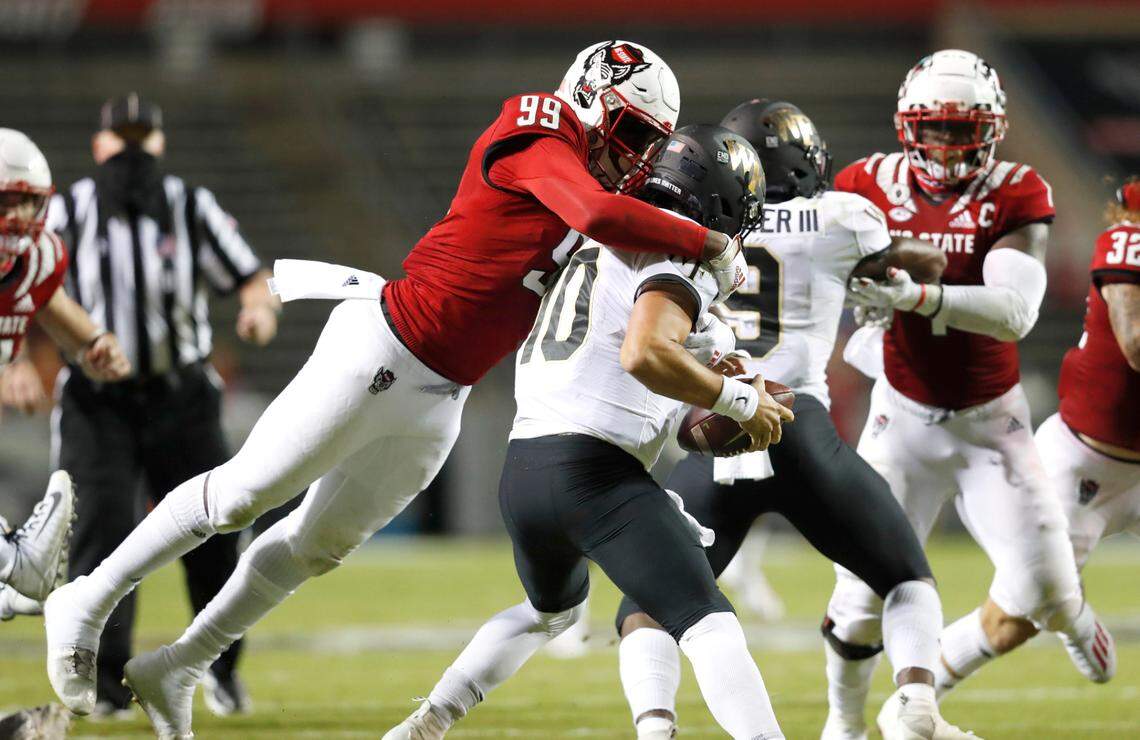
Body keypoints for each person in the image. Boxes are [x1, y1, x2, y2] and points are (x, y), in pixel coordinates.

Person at [43, 41, 751, 738]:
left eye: (647, 144)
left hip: (444, 394)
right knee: (238, 497)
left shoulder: (611, 181)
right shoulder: (536, 125)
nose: (633, 155)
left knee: (313, 548)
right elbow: (592, 214)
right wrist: (712, 245)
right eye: (630, 132)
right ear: (591, 97)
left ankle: (179, 666)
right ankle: (86, 598)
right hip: (385, 344)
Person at [386, 124, 791, 740]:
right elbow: (644, 353)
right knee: (708, 622)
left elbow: (643, 381)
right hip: (592, 473)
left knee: (553, 613)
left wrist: (710, 393)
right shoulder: (677, 253)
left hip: (525, 471)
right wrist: (738, 401)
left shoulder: (592, 244)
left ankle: (428, 720)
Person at [611, 100, 973, 740]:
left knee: (648, 602)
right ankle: (916, 701)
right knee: (904, 575)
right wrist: (884, 280)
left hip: (716, 419)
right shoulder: (842, 217)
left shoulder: (693, 224)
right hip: (798, 421)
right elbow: (925, 267)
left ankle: (655, 726)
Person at [827, 49, 1114, 730]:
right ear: (908, 126)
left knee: (1045, 591)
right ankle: (841, 726)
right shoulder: (863, 183)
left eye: (965, 130)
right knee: (860, 593)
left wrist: (918, 295)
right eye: (939, 129)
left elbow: (1015, 311)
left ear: (993, 129)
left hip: (990, 425)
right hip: (899, 419)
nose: (952, 147)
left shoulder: (1016, 191)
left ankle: (1070, 613)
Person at [38, 94, 279, 718]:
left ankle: (219, 671)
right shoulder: (65, 212)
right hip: (96, 401)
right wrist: (15, 360)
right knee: (100, 536)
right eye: (122, 138)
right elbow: (23, 289)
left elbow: (251, 278)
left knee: (218, 534)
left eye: (143, 138)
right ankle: (106, 685)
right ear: (99, 147)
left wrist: (257, 310)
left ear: (159, 145)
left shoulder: (189, 205)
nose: (132, 151)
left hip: (182, 398)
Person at [0, 128, 130, 620]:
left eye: (27, 203)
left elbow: (45, 301)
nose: (16, 218)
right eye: (5, 201)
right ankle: (18, 563)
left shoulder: (37, 258)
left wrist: (92, 341)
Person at [1027, 179, 1140, 671]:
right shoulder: (1125, 243)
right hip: (1085, 457)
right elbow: (1134, 343)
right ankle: (1075, 620)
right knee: (1031, 604)